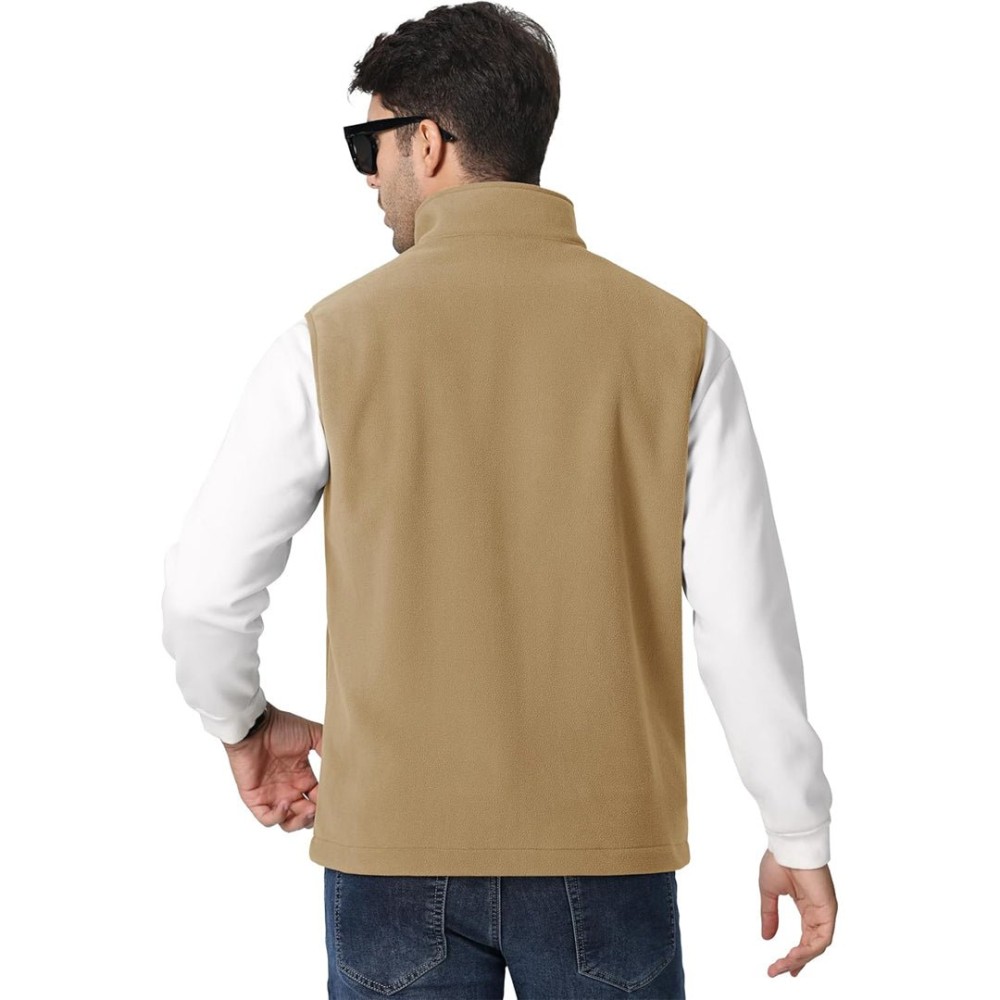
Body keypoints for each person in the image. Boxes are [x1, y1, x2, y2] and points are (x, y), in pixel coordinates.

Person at [160, 4, 837, 997]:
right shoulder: (677, 342)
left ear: (428, 144)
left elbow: (204, 596)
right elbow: (742, 621)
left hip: (393, 852)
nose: (368, 176)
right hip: (606, 853)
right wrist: (797, 828)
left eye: (371, 144)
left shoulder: (328, 341)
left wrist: (244, 723)